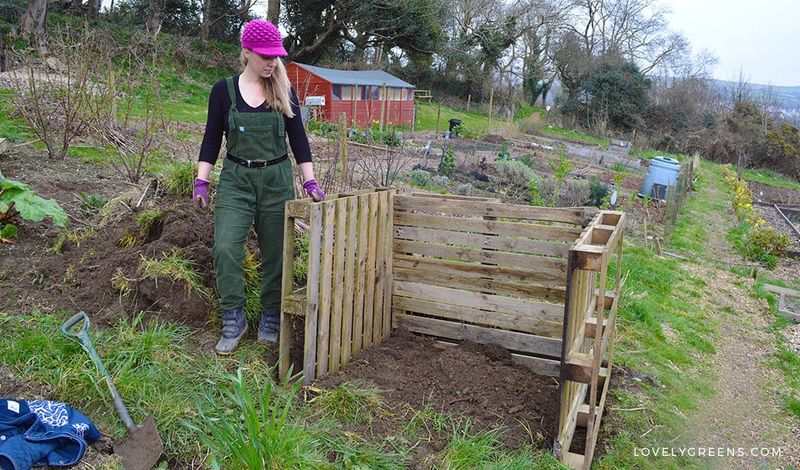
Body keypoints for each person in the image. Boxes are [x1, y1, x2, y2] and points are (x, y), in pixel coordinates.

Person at [193, 19, 325, 355]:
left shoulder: (283, 90)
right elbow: (211, 138)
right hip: (237, 180)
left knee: (277, 252)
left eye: (276, 56)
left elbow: (298, 139)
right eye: (266, 56)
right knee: (225, 247)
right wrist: (201, 180)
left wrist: (309, 179)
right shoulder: (223, 91)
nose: (272, 62)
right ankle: (233, 316)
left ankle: (270, 313)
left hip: (276, 181)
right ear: (247, 53)